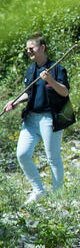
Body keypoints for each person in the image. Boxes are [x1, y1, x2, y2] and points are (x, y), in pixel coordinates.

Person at [3, 33, 71, 204]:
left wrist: (51, 80)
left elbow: (64, 91)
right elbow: (29, 92)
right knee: (22, 154)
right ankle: (39, 191)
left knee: (53, 158)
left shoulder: (57, 68)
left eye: (31, 48)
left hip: (50, 119)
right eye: (27, 49)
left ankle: (58, 197)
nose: (28, 51)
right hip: (31, 119)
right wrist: (15, 102)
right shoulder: (31, 69)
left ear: (42, 48)